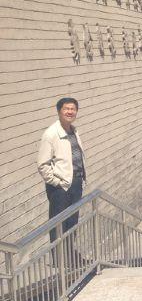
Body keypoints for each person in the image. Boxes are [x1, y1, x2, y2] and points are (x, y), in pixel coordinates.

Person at [37, 97, 86, 243]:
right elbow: (43, 165)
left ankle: (70, 253)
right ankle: (59, 256)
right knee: (58, 226)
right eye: (66, 109)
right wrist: (57, 183)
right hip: (60, 188)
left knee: (72, 222)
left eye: (73, 109)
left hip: (76, 183)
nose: (70, 112)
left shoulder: (73, 130)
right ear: (59, 111)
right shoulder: (51, 134)